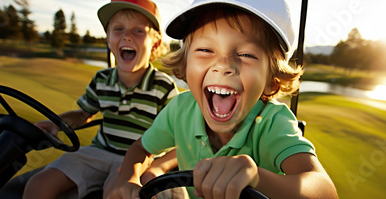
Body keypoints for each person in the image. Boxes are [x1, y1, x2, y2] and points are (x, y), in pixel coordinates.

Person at [106, 0, 339, 198]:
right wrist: (129, 179)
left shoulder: (272, 123)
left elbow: (325, 190)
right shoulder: (179, 109)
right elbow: (140, 148)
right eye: (206, 50)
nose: (224, 65)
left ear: (271, 79)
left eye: (247, 54)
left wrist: (257, 177)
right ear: (186, 65)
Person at [23, 0, 179, 198]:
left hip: (140, 159)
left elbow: (180, 137)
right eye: (118, 29)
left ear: (155, 44)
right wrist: (58, 124)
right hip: (99, 151)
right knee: (38, 185)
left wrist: (158, 167)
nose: (127, 36)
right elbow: (83, 114)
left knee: (116, 193)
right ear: (108, 39)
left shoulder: (163, 87)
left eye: (138, 31)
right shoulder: (101, 79)